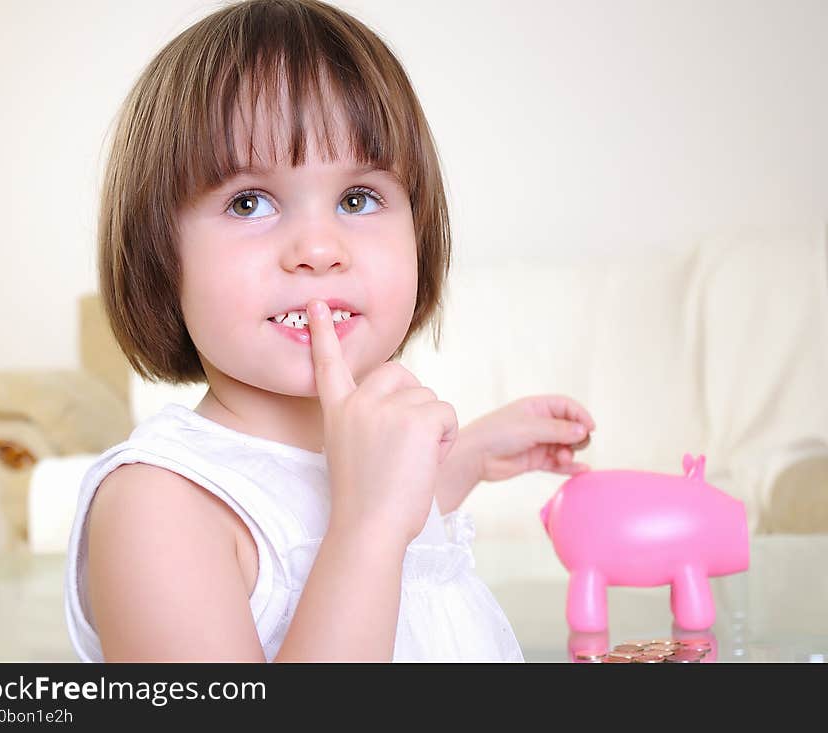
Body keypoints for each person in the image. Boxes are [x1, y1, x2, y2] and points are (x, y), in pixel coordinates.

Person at [64, 0, 595, 662]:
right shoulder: (159, 509)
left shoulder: (363, 477)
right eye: (249, 202)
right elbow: (334, 528)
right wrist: (368, 526)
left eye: (357, 199)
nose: (319, 248)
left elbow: (327, 513)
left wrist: (461, 459)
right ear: (158, 253)